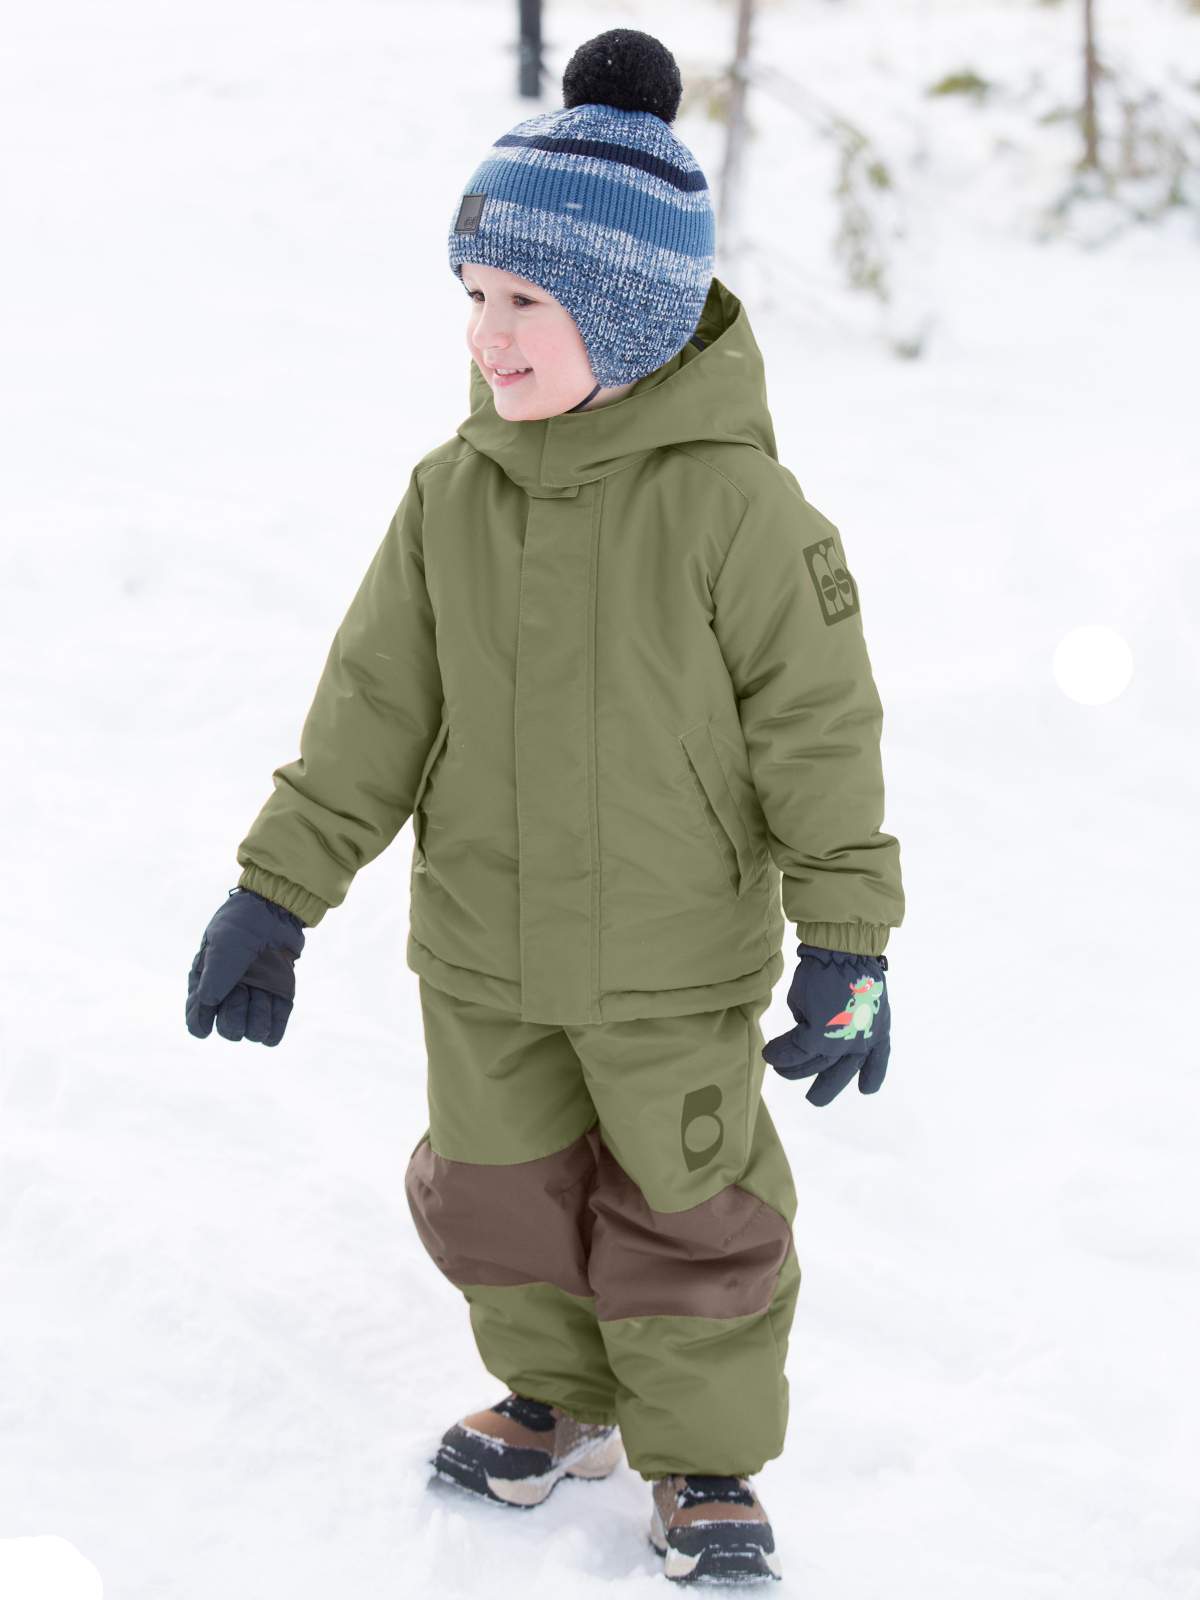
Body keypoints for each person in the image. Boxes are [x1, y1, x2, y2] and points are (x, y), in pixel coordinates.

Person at [185, 28, 903, 1587]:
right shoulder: (451, 497)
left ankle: (702, 1457)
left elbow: (821, 734)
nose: (485, 337)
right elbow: (372, 717)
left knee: (689, 1208)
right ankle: (556, 1396)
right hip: (484, 957)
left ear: (628, 315)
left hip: (670, 964)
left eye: (524, 303)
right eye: (474, 296)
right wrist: (276, 893)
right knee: (499, 1193)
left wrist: (848, 941)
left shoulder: (740, 510)